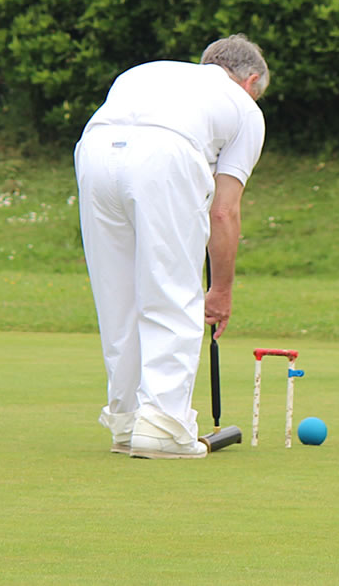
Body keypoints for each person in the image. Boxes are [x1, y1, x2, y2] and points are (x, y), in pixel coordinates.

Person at [73, 34, 270, 459]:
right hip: (166, 156)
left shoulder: (149, 72)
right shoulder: (245, 108)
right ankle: (163, 424)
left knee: (118, 297)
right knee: (174, 292)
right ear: (251, 81)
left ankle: (127, 422)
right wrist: (220, 290)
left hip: (94, 152)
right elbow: (224, 211)